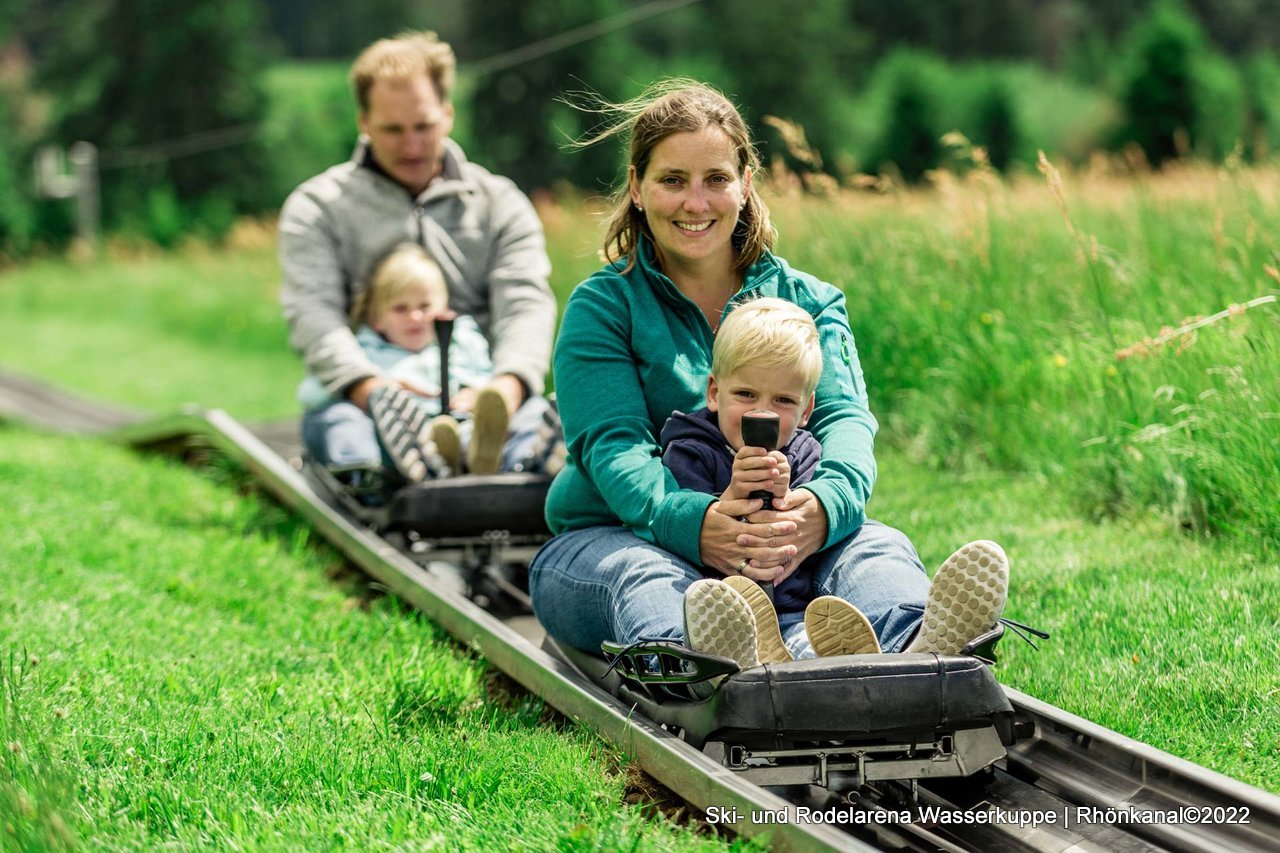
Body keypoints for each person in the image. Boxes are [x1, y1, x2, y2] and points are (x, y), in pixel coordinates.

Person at [529, 80, 1011, 672]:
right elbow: (615, 449)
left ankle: (918, 653)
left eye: (716, 179)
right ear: (637, 186)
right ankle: (709, 668)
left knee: (876, 548)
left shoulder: (809, 299)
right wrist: (696, 523)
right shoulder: (603, 306)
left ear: (745, 184)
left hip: (787, 536)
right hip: (622, 535)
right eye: (672, 180)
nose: (695, 202)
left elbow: (844, 420)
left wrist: (818, 509)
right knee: (649, 579)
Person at [279, 31, 557, 476]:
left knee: (527, 422)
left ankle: (531, 459)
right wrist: (374, 391)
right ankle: (385, 471)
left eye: (423, 127)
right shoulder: (317, 208)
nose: (411, 146)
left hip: (480, 393)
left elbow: (525, 304)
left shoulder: (499, 204)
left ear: (447, 114)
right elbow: (314, 314)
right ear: (364, 122)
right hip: (368, 398)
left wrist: (504, 389)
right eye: (392, 130)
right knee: (342, 430)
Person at [659, 297, 880, 663]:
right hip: (721, 610)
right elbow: (687, 526)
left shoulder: (805, 452)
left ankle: (855, 659)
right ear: (715, 393)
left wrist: (789, 497)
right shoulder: (690, 450)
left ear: (806, 410)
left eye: (782, 400)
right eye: (746, 394)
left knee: (807, 640)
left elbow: (809, 524)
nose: (762, 411)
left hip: (794, 608)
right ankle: (750, 660)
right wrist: (731, 494)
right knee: (722, 626)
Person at [295, 243, 561, 480]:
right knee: (341, 419)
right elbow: (313, 393)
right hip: (399, 440)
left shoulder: (463, 341)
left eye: (424, 306)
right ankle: (377, 475)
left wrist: (480, 395)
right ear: (377, 319)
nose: (415, 317)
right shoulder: (365, 352)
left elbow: (485, 373)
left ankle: (531, 462)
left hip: (467, 425)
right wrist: (375, 391)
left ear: (444, 308)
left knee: (531, 409)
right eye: (401, 309)